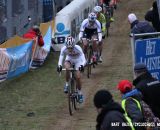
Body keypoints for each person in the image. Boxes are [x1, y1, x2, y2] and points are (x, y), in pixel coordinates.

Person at [57, 36, 86, 103]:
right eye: (68, 48)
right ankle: (67, 84)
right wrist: (59, 65)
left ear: (73, 45)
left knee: (78, 77)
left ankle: (79, 93)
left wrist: (82, 65)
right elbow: (61, 57)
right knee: (67, 68)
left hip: (78, 60)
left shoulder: (78, 48)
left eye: (71, 47)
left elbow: (84, 59)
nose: (70, 49)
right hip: (69, 59)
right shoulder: (63, 48)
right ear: (66, 46)